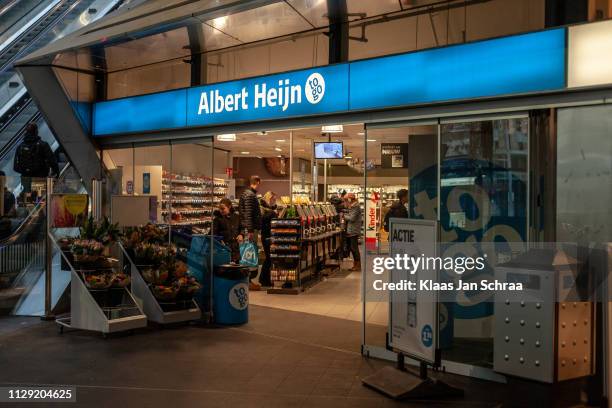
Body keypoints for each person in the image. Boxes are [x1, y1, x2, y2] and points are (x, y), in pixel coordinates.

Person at [13, 123, 58, 192]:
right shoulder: (43, 145)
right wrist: (56, 173)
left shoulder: (20, 146)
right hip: (40, 178)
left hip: (26, 180)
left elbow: (15, 167)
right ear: (36, 131)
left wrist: (26, 171)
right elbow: (52, 161)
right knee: (41, 199)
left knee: (29, 199)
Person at [238, 175, 262, 290]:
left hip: (248, 228)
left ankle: (249, 280)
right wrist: (251, 230)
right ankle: (248, 280)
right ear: (257, 182)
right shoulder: (250, 195)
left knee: (249, 253)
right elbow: (248, 214)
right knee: (249, 254)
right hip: (249, 230)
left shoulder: (248, 194)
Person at [212, 198, 241, 263]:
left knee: (236, 269)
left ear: (229, 207)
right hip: (223, 249)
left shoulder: (236, 217)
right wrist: (219, 241)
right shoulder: (217, 219)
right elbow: (213, 234)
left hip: (235, 250)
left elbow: (241, 228)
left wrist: (241, 235)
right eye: (220, 208)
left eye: (223, 208)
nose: (221, 211)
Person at [259, 191, 278, 287]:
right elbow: (263, 220)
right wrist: (273, 213)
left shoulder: (269, 209)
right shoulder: (263, 208)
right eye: (273, 199)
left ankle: (265, 279)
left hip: (268, 235)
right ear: (269, 198)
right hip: (266, 236)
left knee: (269, 258)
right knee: (269, 258)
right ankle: (263, 279)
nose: (274, 201)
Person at [343, 193, 362, 272]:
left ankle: (357, 265)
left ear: (350, 199)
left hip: (353, 230)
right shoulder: (353, 206)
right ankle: (356, 265)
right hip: (351, 229)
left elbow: (352, 218)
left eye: (346, 200)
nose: (346, 202)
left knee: (354, 248)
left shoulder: (355, 206)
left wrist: (343, 216)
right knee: (353, 248)